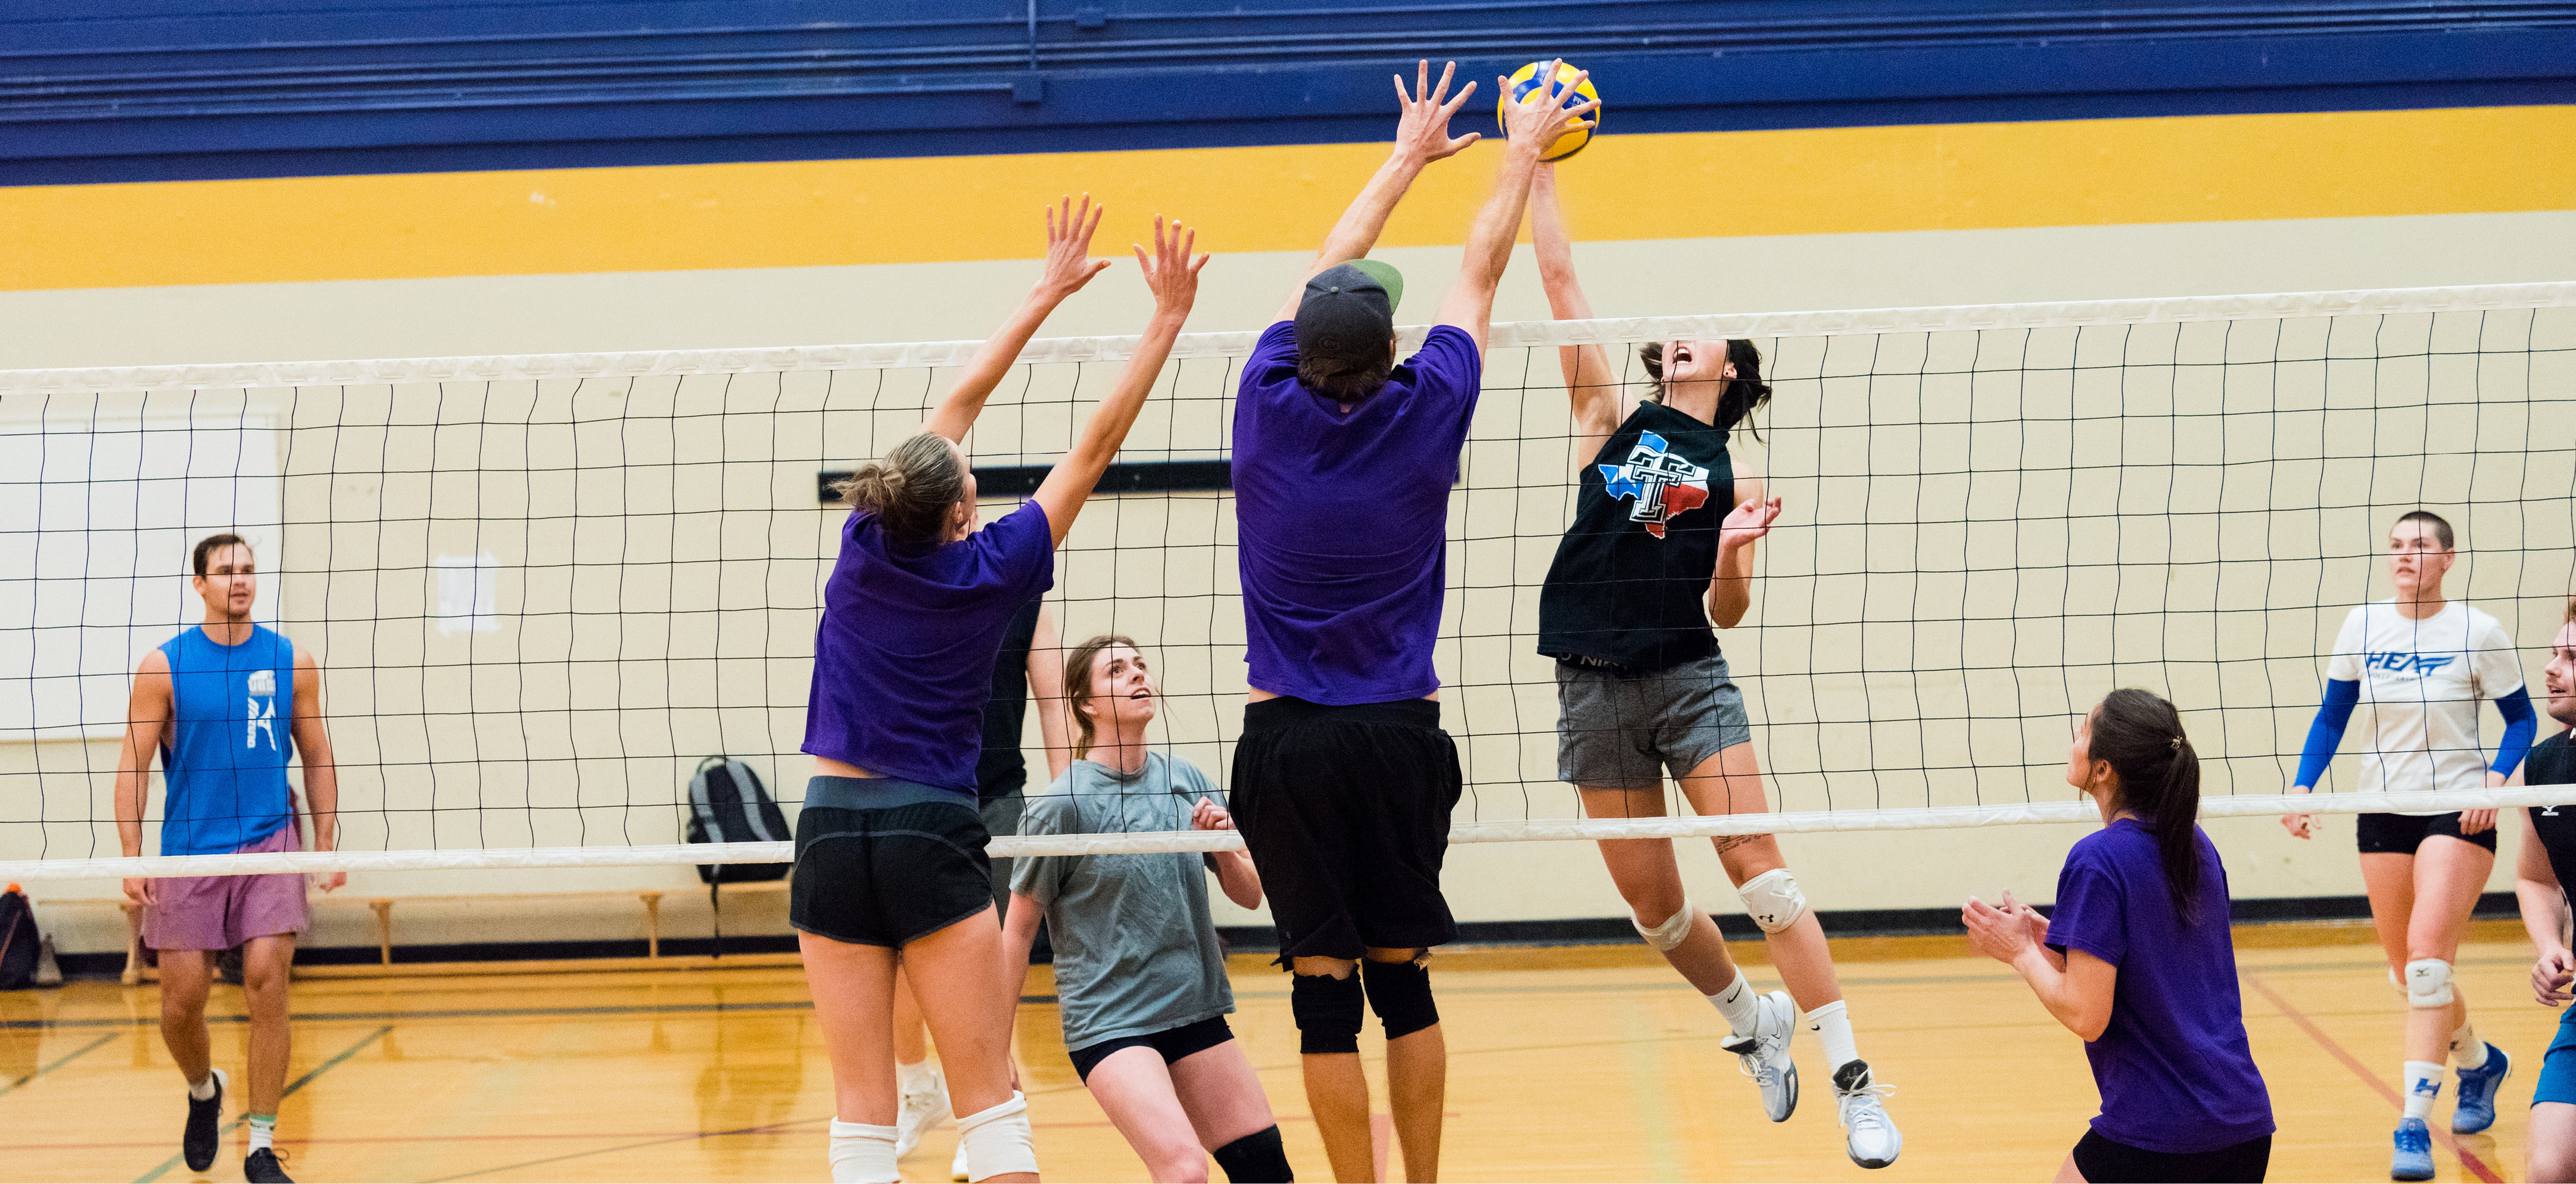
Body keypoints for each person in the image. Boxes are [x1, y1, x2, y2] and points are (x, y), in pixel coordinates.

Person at [1225, 59, 1591, 1183]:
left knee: (1322, 998)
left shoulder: (1262, 403)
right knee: (1403, 978)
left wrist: (1401, 158)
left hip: (1287, 744)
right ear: (1390, 356)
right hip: (1396, 737)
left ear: (1303, 350)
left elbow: (1320, 277)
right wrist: (1520, 146)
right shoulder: (1429, 408)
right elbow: (1477, 274)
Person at [794, 200, 1208, 1184]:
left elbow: (956, 401)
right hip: (929, 831)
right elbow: (1097, 444)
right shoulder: (998, 567)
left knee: (860, 1120)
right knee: (992, 1108)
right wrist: (1165, 318)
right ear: (963, 509)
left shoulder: (860, 547)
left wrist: (1043, 292)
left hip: (827, 830)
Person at [1521, 160, 1899, 1166]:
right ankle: (1750, 1017)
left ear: (1728, 369)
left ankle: (1854, 1079)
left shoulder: (1732, 469)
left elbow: (1723, 610)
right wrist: (1533, 168)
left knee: (1760, 873)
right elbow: (1561, 285)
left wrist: (1733, 552)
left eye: (1708, 329)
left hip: (1688, 679)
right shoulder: (1614, 421)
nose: (1685, 329)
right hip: (1592, 685)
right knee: (1657, 909)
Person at [2279, 510, 2531, 1179]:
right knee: (2407, 973)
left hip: (2458, 811)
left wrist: (2494, 780)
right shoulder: (2360, 624)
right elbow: (2332, 714)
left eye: (2417, 545)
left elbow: (2521, 719)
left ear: (2447, 557)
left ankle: (2412, 1123)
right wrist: (2301, 786)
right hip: (2381, 810)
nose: (2402, 556)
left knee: (2426, 963)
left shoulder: (2477, 630)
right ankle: (2477, 1061)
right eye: (2394, 546)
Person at [1003, 635, 1288, 1183]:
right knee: (1184, 1170)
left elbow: (1249, 894)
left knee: (1266, 1170)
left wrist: (1219, 848)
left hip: (1194, 1009)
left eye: (1140, 666)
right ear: (1086, 704)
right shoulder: (1062, 806)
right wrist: (994, 1052)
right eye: (1116, 671)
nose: (1137, 676)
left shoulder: (1185, 782)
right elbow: (1016, 933)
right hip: (1111, 1023)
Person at [1964, 688, 2273, 1183]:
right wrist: (2060, 944)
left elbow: (2088, 1015)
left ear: (2104, 769)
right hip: (2242, 1125)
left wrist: (2020, 953)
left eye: (2083, 731)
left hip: (2160, 1135)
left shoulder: (2098, 859)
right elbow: (2161, 964)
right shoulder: (2193, 843)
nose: (2073, 740)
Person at [113, 532, 347, 1184]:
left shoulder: (289, 659)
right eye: (225, 570)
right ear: (200, 584)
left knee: (267, 979)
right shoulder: (164, 666)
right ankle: (202, 1089)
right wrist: (132, 856)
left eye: (248, 569)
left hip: (271, 841)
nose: (240, 580)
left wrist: (323, 842)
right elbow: (132, 763)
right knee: (180, 1004)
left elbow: (317, 753)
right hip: (189, 850)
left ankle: (262, 1143)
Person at [893, 599, 1073, 1179]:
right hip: (917, 794)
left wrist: (1072, 797)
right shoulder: (907, 581)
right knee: (899, 955)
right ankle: (917, 1085)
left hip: (995, 801)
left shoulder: (1020, 594)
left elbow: (1052, 700)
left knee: (984, 968)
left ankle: (984, 1113)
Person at [2507, 599, 2576, 1182]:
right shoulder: (2544, 763)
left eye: (2570, 657)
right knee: (2547, 1168)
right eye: (2553, 653)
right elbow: (2534, 876)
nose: (2551, 668)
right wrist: (2548, 944)